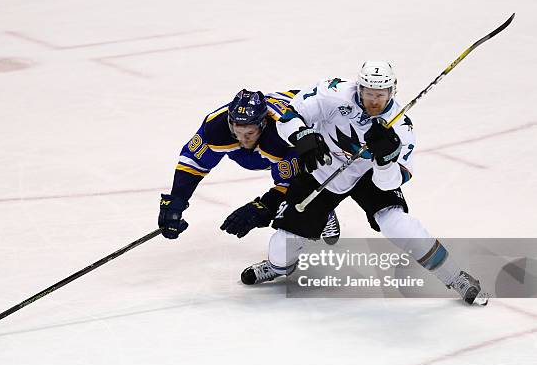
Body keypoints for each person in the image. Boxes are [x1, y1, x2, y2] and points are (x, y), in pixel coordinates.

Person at [241, 61, 486, 305]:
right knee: (281, 247)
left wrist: (385, 160)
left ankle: (455, 277)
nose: (374, 101)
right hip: (323, 165)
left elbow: (388, 184)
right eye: (369, 93)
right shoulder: (332, 93)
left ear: (392, 91)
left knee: (398, 225)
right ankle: (279, 267)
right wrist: (302, 135)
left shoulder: (400, 128)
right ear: (359, 88)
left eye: (380, 95)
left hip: (368, 175)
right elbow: (288, 117)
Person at [158, 89, 341, 242]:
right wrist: (176, 201)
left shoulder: (282, 134)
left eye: (249, 133)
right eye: (237, 132)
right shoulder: (217, 127)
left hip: (317, 132)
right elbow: (193, 162)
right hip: (270, 143)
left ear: (262, 124)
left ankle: (324, 209)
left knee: (308, 186)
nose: (242, 140)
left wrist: (263, 207)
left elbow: (293, 183)